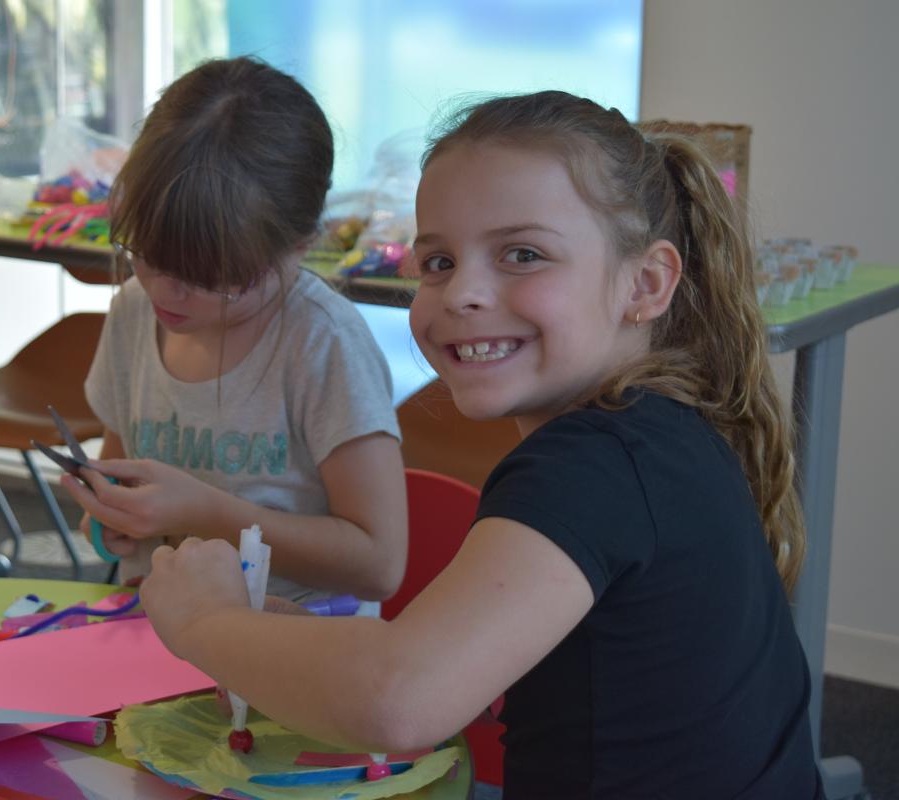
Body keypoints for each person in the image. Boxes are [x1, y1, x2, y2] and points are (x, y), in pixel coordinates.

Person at [137, 90, 825, 798]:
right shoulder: (657, 432)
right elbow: (441, 670)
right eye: (438, 262)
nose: (463, 292)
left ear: (645, 284)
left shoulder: (592, 466)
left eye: (522, 254)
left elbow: (398, 699)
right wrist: (276, 643)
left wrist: (202, 621)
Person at [61, 56, 407, 604]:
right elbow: (120, 486)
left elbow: (379, 565)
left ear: (298, 246)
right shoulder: (134, 311)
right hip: (160, 628)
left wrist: (207, 513)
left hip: (298, 652)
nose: (164, 293)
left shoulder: (323, 343)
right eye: (147, 257)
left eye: (210, 279)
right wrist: (113, 519)